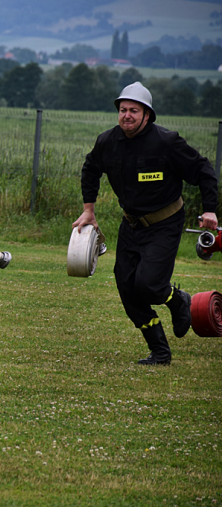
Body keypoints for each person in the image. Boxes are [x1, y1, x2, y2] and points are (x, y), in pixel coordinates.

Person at [72, 81, 219, 365]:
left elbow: (203, 169)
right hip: (131, 225)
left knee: (149, 285)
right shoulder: (107, 142)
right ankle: (160, 351)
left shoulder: (166, 142)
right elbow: (90, 169)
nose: (127, 115)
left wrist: (210, 210)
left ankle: (179, 300)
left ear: (147, 115)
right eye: (123, 110)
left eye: (134, 111)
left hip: (166, 222)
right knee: (127, 287)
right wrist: (88, 210)